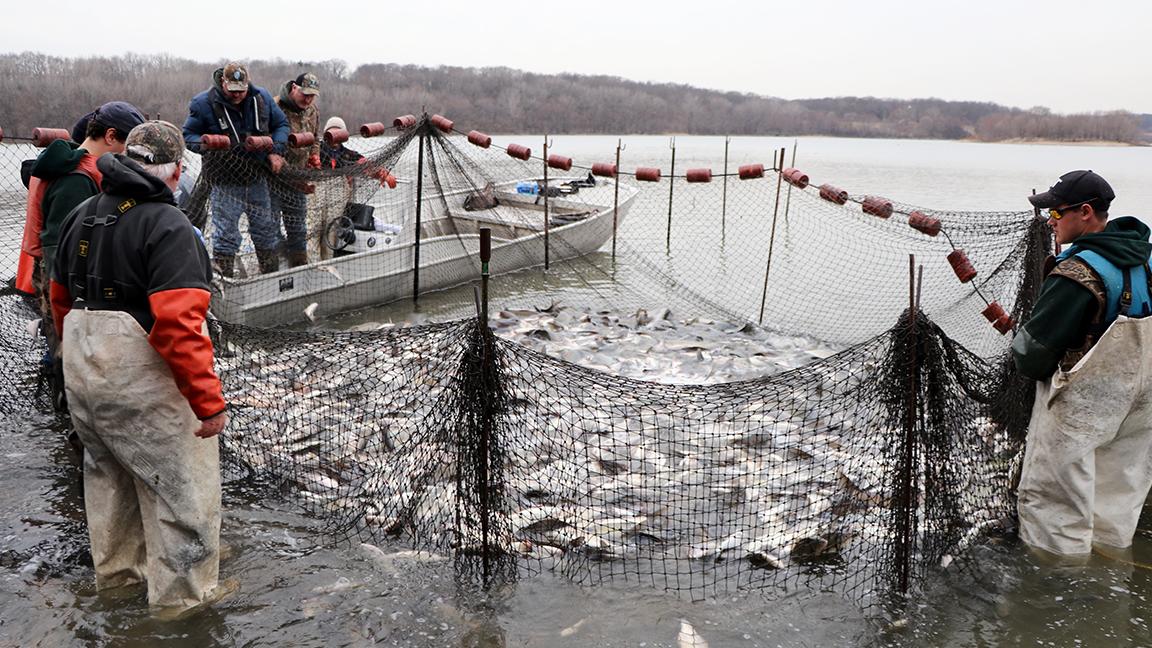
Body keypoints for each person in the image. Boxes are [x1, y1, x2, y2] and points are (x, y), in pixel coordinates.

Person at [49, 120, 233, 616]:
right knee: (181, 498)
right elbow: (179, 325)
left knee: (109, 483)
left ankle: (117, 588)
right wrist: (208, 404)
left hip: (84, 373)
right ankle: (182, 610)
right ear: (175, 174)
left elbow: (59, 304)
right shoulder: (168, 224)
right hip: (138, 382)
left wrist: (77, 366)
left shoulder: (81, 215)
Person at [1011, 169, 1152, 559]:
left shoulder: (1076, 273)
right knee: (1117, 497)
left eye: (1056, 215)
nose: (1051, 223)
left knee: (1056, 509)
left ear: (1085, 212)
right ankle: (1111, 569)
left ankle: (1057, 586)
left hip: (1085, 407)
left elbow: (1032, 354)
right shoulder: (1147, 261)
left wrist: (1020, 350)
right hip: (1140, 405)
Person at [15, 101, 145, 408]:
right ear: (110, 136)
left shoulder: (66, 162)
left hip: (56, 273)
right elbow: (62, 244)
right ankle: (71, 410)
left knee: (62, 344)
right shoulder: (76, 177)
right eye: (127, 146)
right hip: (62, 278)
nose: (127, 157)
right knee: (67, 346)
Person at [183, 61, 289, 277]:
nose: (237, 95)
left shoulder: (263, 98)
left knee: (265, 231)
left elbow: (282, 125)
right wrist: (204, 143)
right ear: (223, 82)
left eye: (241, 90)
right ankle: (225, 280)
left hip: (257, 178)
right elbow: (188, 136)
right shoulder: (202, 103)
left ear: (248, 83)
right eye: (232, 90)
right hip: (224, 182)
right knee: (226, 236)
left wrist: (277, 150)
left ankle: (269, 276)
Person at [272, 72, 322, 267]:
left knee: (298, 228)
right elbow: (268, 144)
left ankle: (299, 267)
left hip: (298, 182)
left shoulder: (313, 111)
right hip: (273, 180)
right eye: (304, 94)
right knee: (270, 229)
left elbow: (315, 138)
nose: (308, 99)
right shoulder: (274, 107)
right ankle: (274, 270)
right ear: (294, 88)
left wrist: (314, 156)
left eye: (312, 96)